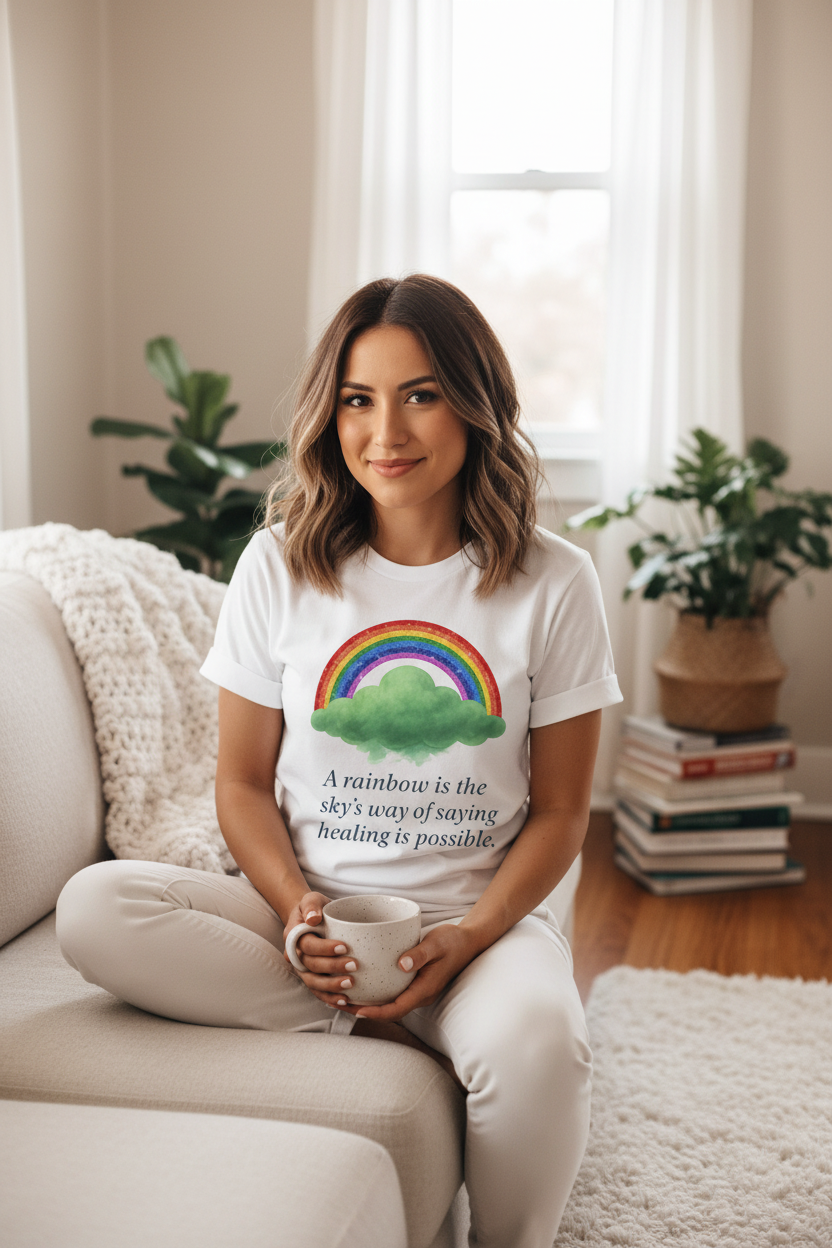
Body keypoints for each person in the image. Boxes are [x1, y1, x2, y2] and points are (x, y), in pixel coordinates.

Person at [56, 274, 622, 1247]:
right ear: (331, 412)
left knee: (542, 1047)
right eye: (358, 398)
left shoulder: (553, 581)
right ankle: (385, 1025)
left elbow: (565, 811)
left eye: (421, 394)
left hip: (470, 928)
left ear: (475, 402)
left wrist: (475, 933)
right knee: (96, 909)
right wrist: (294, 913)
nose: (385, 431)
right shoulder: (278, 564)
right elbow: (238, 784)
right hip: (308, 916)